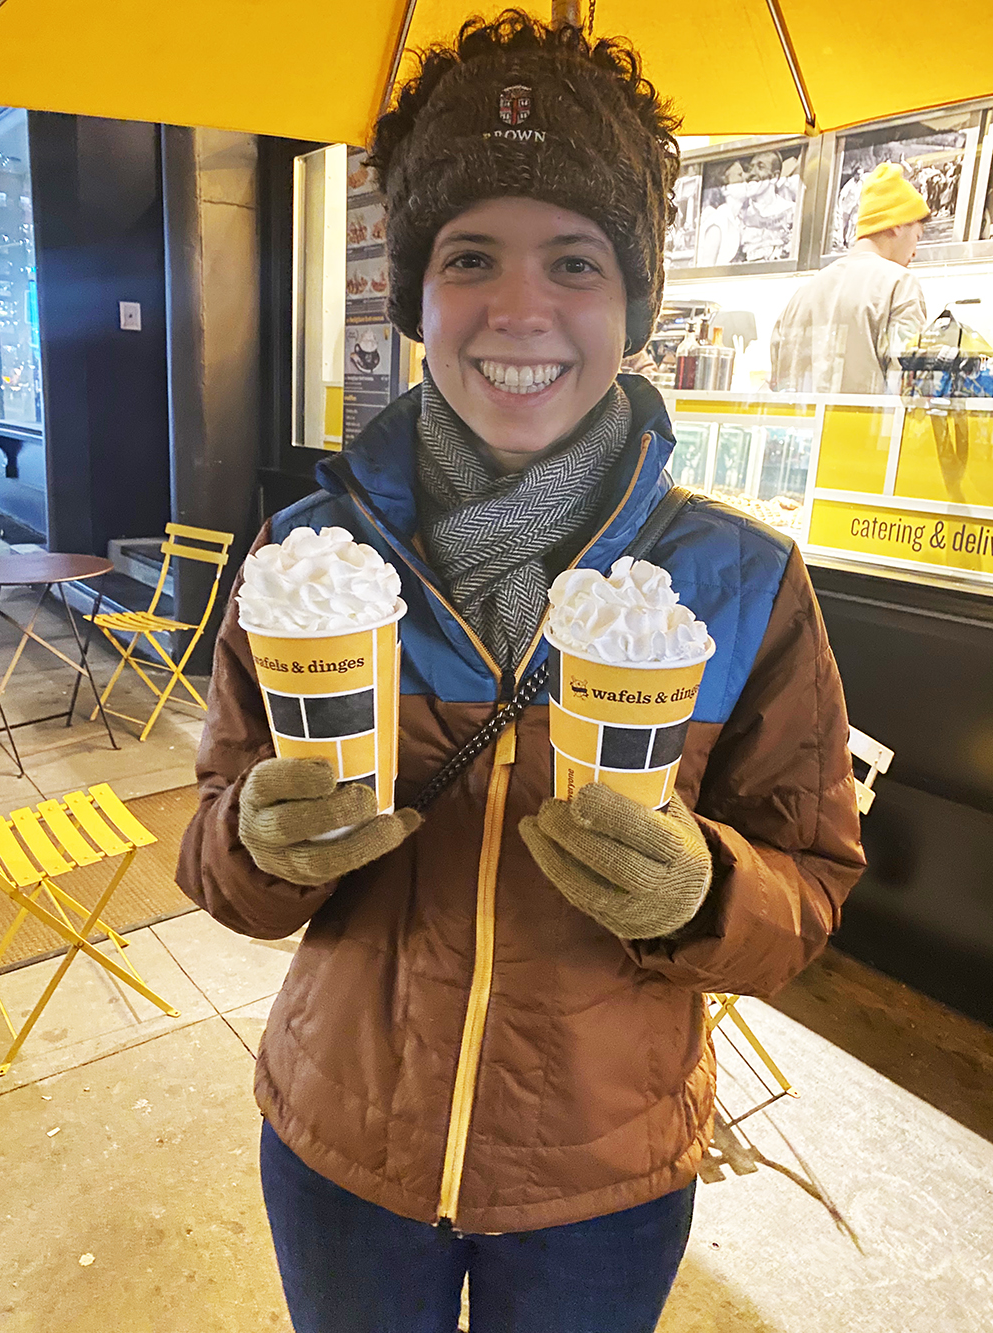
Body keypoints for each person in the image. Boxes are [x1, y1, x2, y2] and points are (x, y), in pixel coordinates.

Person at [177, 13, 865, 1332]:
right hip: (341, 1154)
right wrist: (257, 843)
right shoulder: (305, 558)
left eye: (577, 260)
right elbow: (212, 853)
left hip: (598, 1187)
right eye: (472, 255)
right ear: (419, 289)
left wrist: (707, 889)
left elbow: (814, 889)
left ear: (637, 304)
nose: (520, 309)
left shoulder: (743, 582)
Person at [770, 161, 929, 395]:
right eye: (917, 236)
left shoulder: (802, 295)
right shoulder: (899, 284)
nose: (915, 251)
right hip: (865, 431)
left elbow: (777, 382)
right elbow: (907, 384)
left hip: (799, 430)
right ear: (896, 225)